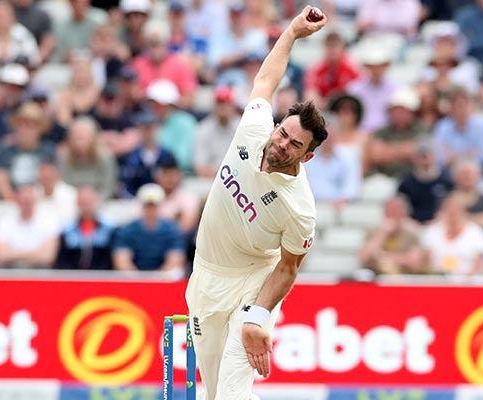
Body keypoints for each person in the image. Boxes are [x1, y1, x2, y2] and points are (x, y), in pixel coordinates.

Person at [185, 7, 327, 400]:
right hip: (206, 275)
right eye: (283, 133)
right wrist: (293, 33)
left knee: (231, 393)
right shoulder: (253, 129)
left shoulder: (299, 208)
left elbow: (289, 267)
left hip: (253, 282)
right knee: (212, 393)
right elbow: (266, 78)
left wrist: (258, 315)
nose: (281, 144)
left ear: (307, 156)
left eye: (294, 145)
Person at [112, 183, 185, 272]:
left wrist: (156, 280)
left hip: (163, 281)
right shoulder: (127, 230)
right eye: (147, 205)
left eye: (154, 205)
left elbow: (175, 261)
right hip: (134, 280)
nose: (151, 210)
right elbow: (122, 262)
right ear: (141, 206)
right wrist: (138, 280)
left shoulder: (172, 231)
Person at [422, 193, 483, 276]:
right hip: (436, 280)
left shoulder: (475, 232)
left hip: (467, 282)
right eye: (449, 208)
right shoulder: (432, 231)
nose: (453, 212)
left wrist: (466, 281)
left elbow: (480, 264)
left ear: (464, 210)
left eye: (457, 208)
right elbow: (425, 261)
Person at [0, 183, 61, 268]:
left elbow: (47, 257)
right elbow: (1, 255)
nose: (27, 203)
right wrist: (33, 254)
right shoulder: (4, 222)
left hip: (40, 272)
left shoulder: (49, 220)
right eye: (23, 200)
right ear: (16, 200)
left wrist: (14, 254)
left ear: (35, 200)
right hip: (11, 272)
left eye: (29, 200)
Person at [359, 196, 425, 275]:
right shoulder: (373, 232)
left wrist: (384, 257)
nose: (392, 216)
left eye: (396, 212)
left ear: (404, 214)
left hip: (405, 277)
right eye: (389, 212)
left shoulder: (411, 233)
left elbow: (414, 261)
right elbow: (364, 257)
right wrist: (382, 234)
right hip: (377, 277)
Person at [55, 186, 116, 270]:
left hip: (102, 278)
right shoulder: (67, 229)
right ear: (77, 203)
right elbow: (62, 261)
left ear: (97, 201)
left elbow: (113, 259)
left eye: (89, 202)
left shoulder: (109, 228)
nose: (86, 207)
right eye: (83, 202)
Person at [57, 117, 117, 200]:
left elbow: (108, 187)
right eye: (76, 137)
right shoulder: (64, 158)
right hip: (71, 202)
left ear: (93, 138)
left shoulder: (106, 157)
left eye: (83, 138)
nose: (79, 142)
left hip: (100, 202)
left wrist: (94, 202)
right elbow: (62, 185)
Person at [398, 138, 454, 223]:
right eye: (421, 156)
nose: (425, 160)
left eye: (427, 156)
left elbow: (451, 205)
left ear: (434, 156)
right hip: (414, 224)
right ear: (414, 158)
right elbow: (402, 208)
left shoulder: (446, 179)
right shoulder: (406, 183)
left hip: (440, 223)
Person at [194, 86, 241, 178]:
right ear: (214, 106)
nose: (223, 108)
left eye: (226, 103)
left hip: (238, 178)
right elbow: (199, 168)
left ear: (233, 106)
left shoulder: (242, 127)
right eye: (219, 103)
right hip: (210, 180)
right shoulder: (203, 129)